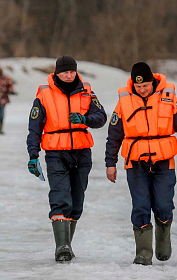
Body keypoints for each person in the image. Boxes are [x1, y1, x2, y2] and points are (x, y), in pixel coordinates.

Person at [105, 62, 177, 265]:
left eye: (145, 86)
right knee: (140, 206)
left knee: (164, 205)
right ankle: (143, 254)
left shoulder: (168, 98)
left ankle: (163, 241)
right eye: (138, 87)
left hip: (164, 163)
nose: (142, 90)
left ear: (152, 82)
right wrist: (110, 163)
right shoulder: (124, 101)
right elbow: (114, 135)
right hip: (135, 163)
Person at [27, 56, 107, 262]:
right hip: (56, 153)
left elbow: (101, 117)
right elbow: (34, 127)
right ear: (56, 73)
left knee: (76, 204)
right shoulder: (44, 94)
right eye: (65, 72)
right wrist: (33, 155)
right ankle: (62, 247)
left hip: (82, 152)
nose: (69, 75)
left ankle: (67, 245)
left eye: (72, 72)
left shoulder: (86, 90)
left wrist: (84, 119)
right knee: (60, 199)